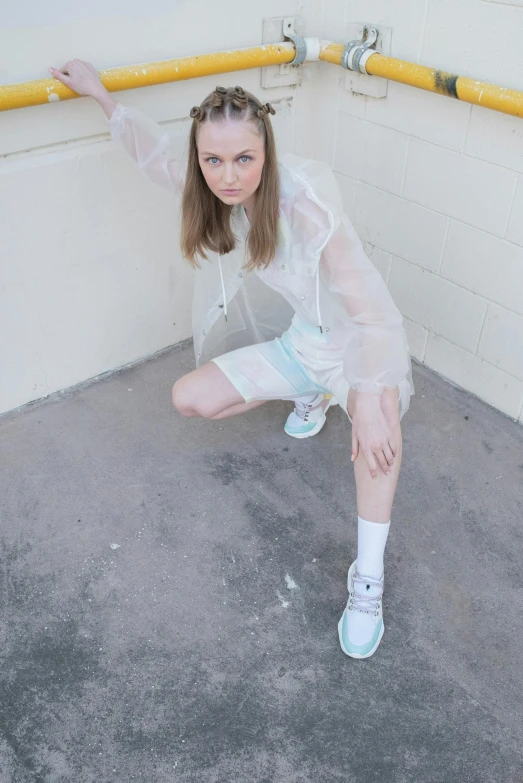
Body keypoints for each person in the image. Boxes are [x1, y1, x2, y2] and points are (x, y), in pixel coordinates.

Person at [49, 59, 414, 659]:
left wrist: (372, 397)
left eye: (243, 158)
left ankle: (366, 579)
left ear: (266, 152)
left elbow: (375, 315)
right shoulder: (214, 188)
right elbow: (158, 161)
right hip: (306, 343)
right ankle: (312, 392)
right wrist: (103, 97)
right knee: (189, 398)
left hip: (358, 348)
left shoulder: (307, 206)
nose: (227, 175)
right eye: (212, 159)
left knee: (379, 444)